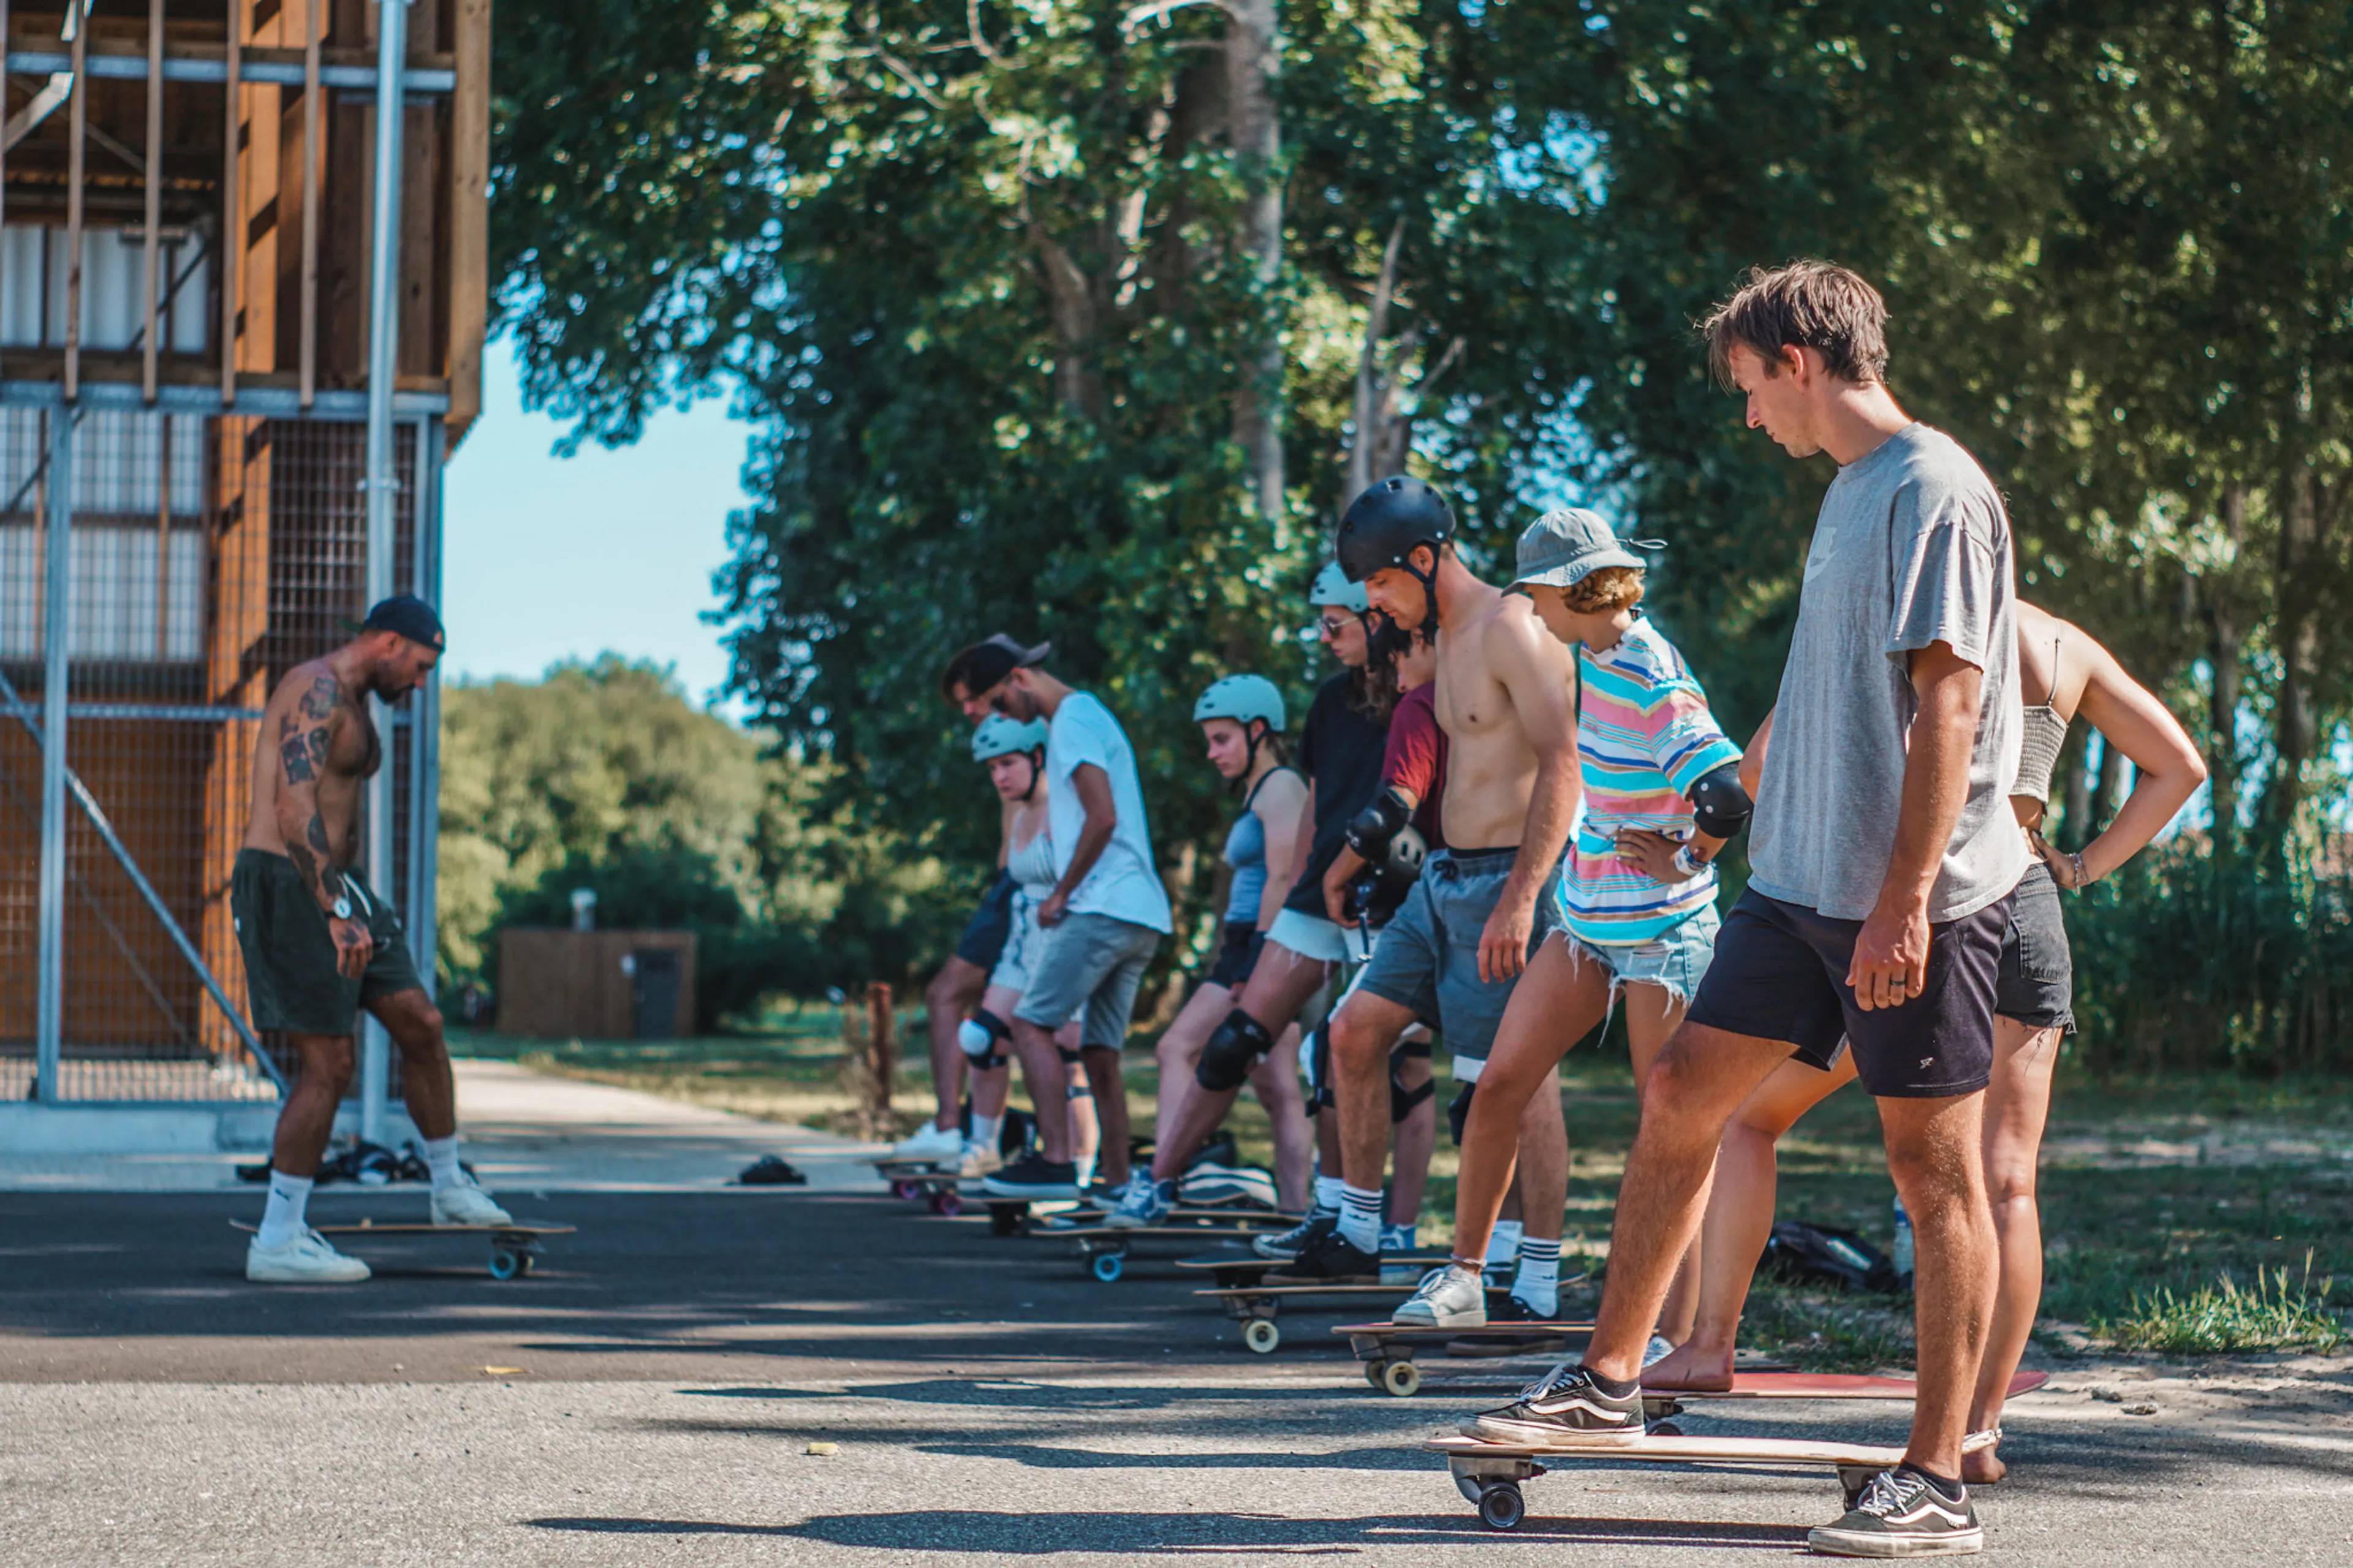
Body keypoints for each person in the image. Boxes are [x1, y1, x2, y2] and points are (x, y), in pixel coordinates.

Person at [1465, 262, 2028, 1561]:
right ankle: (1613, 1379)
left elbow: (1948, 704)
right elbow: (1816, 689)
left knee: (1930, 1168)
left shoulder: (1934, 488)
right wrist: (1727, 809)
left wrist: (1904, 903)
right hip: (1794, 885)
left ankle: (1936, 1477)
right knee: (1677, 1096)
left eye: (1747, 387)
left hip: (1914, 896)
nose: (1747, 415)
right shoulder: (1849, 496)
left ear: (1797, 357)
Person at [1642, 602, 2205, 1492]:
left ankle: (1709, 1343)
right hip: (2022, 902)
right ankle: (1976, 1428)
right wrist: (2083, 864)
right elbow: (2180, 766)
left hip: (1909, 909)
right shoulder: (2065, 643)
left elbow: (1759, 762)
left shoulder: (1894, 624)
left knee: (1749, 1117)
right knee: (2006, 1179)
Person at [1393, 510, 1748, 1334]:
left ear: (1568, 590)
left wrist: (1690, 855)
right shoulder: (1591, 654)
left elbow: (1726, 791)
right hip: (1587, 922)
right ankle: (1466, 1275)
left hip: (1665, 933)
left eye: (1535, 596)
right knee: (1498, 1082)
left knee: (1673, 1134)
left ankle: (1674, 1341)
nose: (1530, 612)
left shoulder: (1651, 670)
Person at [1289, 475, 1582, 1292]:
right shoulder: (1443, 640)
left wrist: (1524, 897)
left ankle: (1534, 1277)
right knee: (1350, 1035)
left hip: (1510, 881)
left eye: (1381, 582)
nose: (1376, 602)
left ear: (1424, 558)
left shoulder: (1512, 629)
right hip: (1443, 878)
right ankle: (1355, 1225)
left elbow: (1565, 763)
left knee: (1514, 1081)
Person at [1104, 567, 1389, 1227]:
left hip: (1373, 898)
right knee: (1240, 1052)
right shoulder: (1329, 702)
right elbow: (1319, 810)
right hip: (1312, 904)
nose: (1323, 636)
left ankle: (1351, 1217)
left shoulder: (1414, 697)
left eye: (1334, 623)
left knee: (1349, 1066)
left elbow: (1306, 846)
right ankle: (1162, 1185)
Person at [235, 597, 507, 1284]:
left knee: (422, 1022)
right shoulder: (316, 688)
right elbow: (292, 809)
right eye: (419, 667)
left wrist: (343, 897)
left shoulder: (356, 701)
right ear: (389, 642)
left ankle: (448, 1185)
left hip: (340, 886)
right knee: (331, 1065)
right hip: (294, 884)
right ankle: (278, 1239)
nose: (419, 684)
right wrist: (332, 907)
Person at [944, 635, 1172, 1201]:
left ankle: (1054, 1160)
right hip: (1139, 912)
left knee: (1029, 1024)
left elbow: (1102, 817)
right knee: (1098, 1051)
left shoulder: (1070, 720)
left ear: (1020, 678)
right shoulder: (1086, 715)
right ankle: (1116, 1184)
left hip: (1102, 905)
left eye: (997, 703)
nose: (1000, 716)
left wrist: (1060, 894)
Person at [1121, 676, 1311, 1216]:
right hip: (1250, 945)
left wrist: (1257, 963)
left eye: (1222, 739)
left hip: (1264, 946)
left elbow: (1282, 878)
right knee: (1276, 1084)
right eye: (1208, 740)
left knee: (1175, 1047)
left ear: (1258, 730)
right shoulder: (1261, 788)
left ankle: (1166, 1179)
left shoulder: (1281, 787)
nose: (1212, 753)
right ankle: (1298, 1211)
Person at [893, 717, 1055, 1174]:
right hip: (1015, 890)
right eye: (993, 767)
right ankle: (975, 1143)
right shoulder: (1018, 786)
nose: (965, 708)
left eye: (1007, 764)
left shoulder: (1045, 759)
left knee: (1066, 1050)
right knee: (982, 1034)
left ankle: (1070, 1165)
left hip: (1039, 901)